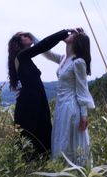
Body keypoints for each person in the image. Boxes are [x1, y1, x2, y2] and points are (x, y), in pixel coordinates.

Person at [7, 30, 71, 158]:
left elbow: (43, 48)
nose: (28, 36)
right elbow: (43, 45)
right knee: (34, 136)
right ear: (18, 42)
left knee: (40, 135)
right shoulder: (21, 56)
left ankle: (41, 166)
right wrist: (64, 32)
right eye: (24, 36)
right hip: (30, 105)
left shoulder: (24, 58)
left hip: (35, 101)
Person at [43, 28, 95, 166]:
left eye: (73, 34)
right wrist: (33, 40)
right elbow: (46, 52)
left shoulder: (78, 62)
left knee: (70, 141)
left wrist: (84, 115)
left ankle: (75, 170)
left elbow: (82, 90)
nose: (69, 34)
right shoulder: (64, 59)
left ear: (77, 40)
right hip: (61, 107)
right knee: (62, 139)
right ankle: (63, 170)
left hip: (71, 107)